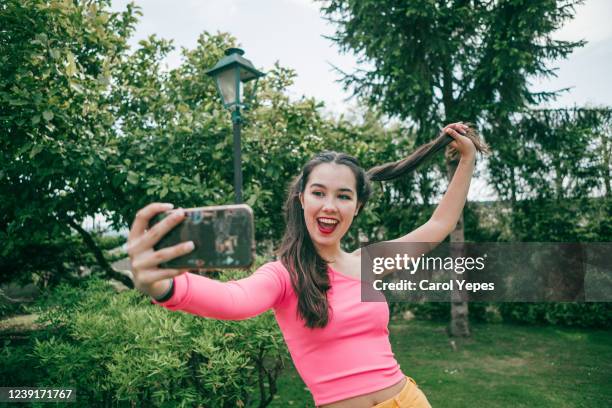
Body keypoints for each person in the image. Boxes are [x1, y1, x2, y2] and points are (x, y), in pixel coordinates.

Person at [127, 122, 484, 408]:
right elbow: (233, 300)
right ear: (301, 199)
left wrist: (466, 161)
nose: (330, 205)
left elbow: (439, 225)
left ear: (356, 207)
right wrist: (165, 286)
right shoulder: (284, 276)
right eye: (318, 193)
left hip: (409, 399)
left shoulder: (368, 263)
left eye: (343, 196)